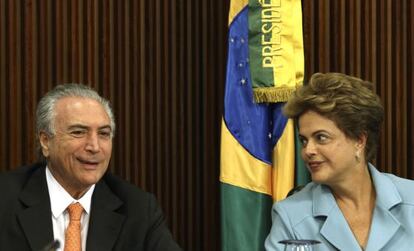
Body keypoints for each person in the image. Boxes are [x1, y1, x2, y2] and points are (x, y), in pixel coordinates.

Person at [0, 84, 182, 251]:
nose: (94, 146)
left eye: (103, 134)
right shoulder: (4, 199)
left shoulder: (138, 209)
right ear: (46, 141)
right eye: (78, 132)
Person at [265, 73, 414, 250]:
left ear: (359, 140)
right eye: (304, 140)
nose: (308, 151)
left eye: (321, 137)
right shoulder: (290, 215)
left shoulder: (410, 199)